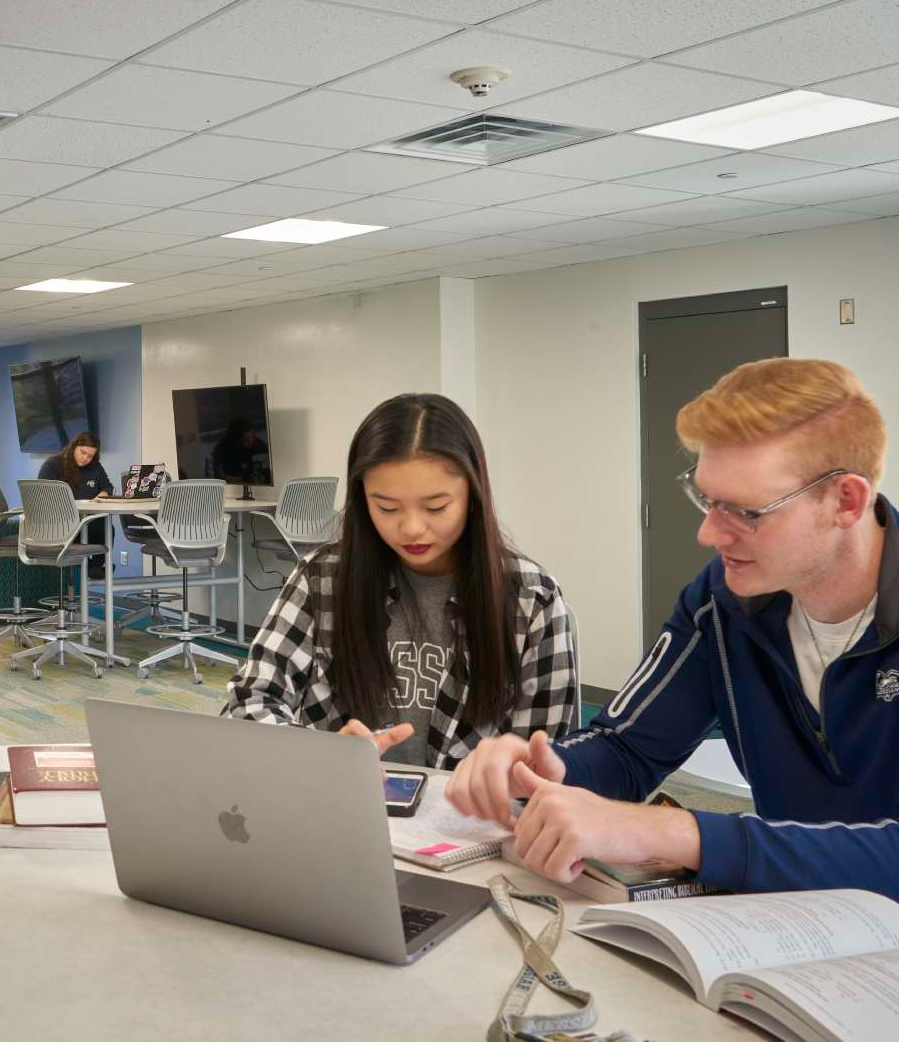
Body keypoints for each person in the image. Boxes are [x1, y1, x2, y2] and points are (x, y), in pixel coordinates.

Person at [447, 358, 899, 900]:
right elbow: (629, 747)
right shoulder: (721, 600)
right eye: (707, 500)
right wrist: (544, 768)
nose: (709, 533)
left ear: (845, 501)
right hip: (801, 924)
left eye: (745, 512)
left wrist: (676, 833)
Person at [225, 393, 577, 768]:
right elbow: (249, 705)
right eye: (387, 507)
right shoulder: (322, 579)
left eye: (436, 507)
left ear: (473, 495)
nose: (412, 528)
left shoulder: (530, 599)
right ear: (363, 500)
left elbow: (548, 758)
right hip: (339, 810)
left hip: (470, 822)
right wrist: (322, 757)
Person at [38, 431, 114, 579]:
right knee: (98, 527)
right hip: (58, 523)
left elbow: (107, 487)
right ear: (74, 447)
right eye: (83, 452)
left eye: (90, 456)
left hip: (83, 521)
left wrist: (103, 494)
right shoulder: (53, 464)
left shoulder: (95, 467)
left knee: (106, 526)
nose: (85, 458)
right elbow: (43, 497)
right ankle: (90, 567)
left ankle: (95, 566)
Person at [210, 418, 270, 484]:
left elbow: (267, 475)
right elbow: (217, 474)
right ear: (234, 439)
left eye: (250, 438)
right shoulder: (223, 448)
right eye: (243, 440)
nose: (248, 443)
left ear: (253, 434)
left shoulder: (260, 447)